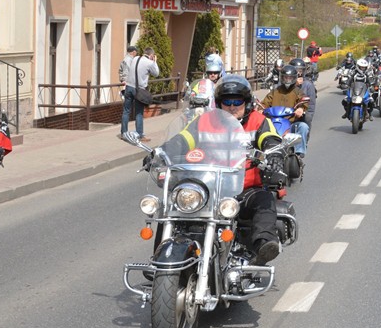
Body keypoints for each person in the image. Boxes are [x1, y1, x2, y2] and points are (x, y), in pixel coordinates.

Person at [159, 75, 282, 266]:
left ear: (247, 102)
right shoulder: (204, 121)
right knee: (171, 204)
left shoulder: (259, 121)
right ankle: (161, 257)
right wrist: (161, 152)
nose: (232, 106)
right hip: (208, 188)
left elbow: (271, 138)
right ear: (219, 103)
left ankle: (263, 245)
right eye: (227, 101)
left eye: (237, 101)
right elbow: (182, 139)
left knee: (264, 200)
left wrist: (274, 154)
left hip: (244, 188)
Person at [260, 64, 309, 158]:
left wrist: (301, 108)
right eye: (286, 78)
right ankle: (260, 152)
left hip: (291, 123)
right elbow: (265, 102)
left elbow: (303, 101)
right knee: (259, 128)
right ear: (281, 78)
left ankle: (299, 152)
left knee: (303, 126)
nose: (288, 80)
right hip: (273, 122)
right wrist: (260, 109)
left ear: (294, 78)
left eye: (290, 78)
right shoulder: (275, 91)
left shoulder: (298, 91)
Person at [121, 47, 159, 142]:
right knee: (139, 113)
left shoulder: (136, 58)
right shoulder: (150, 63)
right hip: (138, 90)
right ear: (151, 55)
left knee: (126, 111)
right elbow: (156, 73)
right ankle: (140, 135)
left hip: (129, 87)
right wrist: (155, 61)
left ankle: (123, 133)